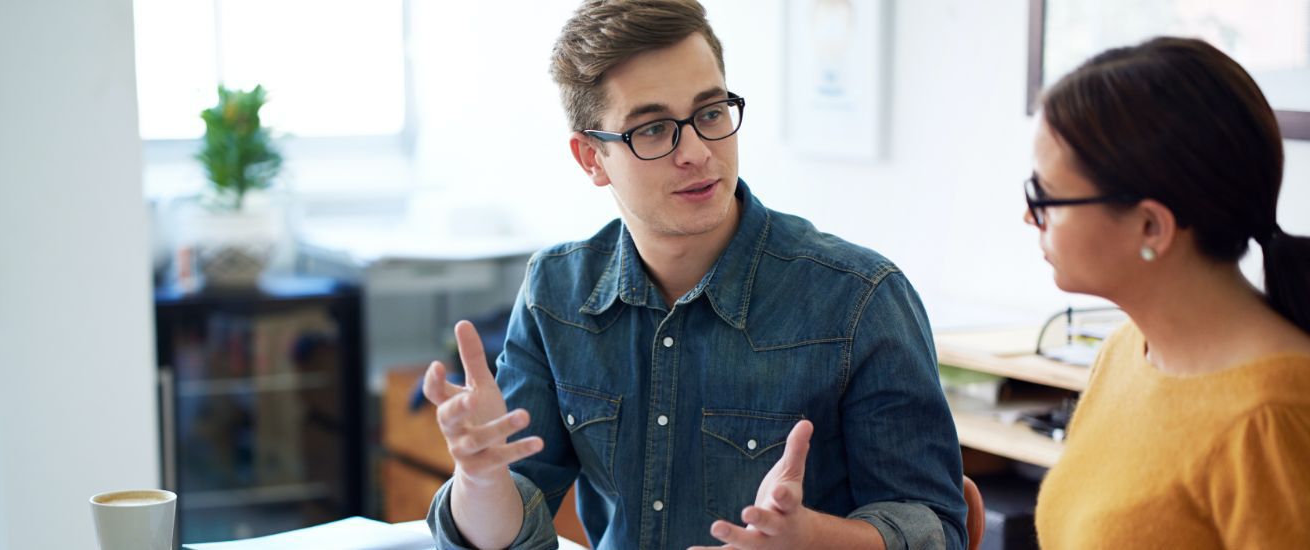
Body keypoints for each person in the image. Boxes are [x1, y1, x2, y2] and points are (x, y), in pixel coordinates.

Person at [421, 1, 966, 548]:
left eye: (710, 113)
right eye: (654, 129)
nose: (698, 153)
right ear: (591, 158)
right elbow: (504, 530)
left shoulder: (860, 298)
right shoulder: (556, 292)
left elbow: (935, 527)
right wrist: (480, 479)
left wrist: (810, 539)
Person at [1027, 37, 1310, 548]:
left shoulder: (1274, 417)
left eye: (1045, 197)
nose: (1030, 216)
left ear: (1151, 227)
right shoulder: (1126, 350)